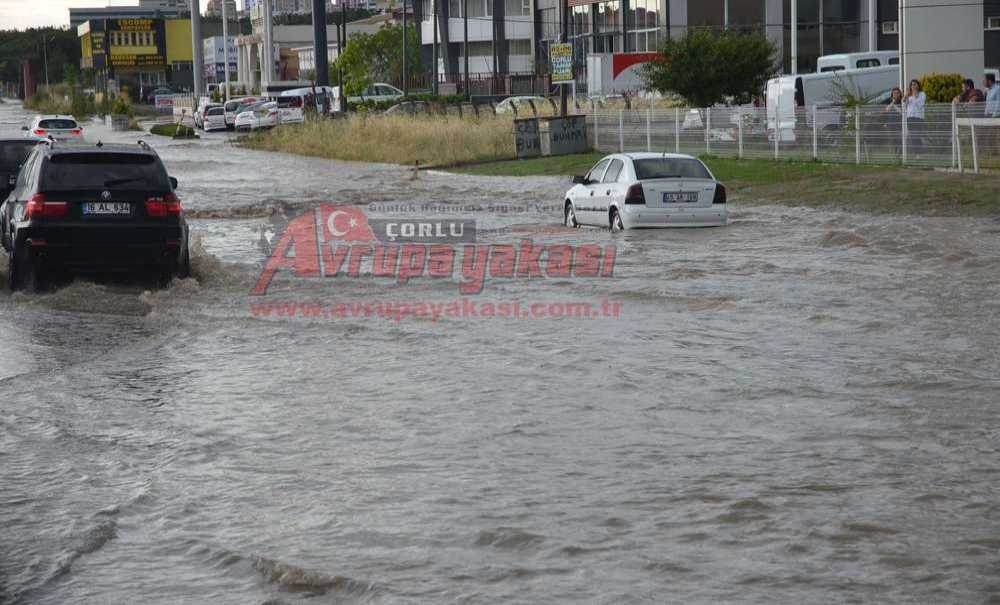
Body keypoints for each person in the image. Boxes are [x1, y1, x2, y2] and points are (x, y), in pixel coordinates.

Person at [904, 79, 926, 154]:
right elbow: (905, 103)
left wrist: (915, 94)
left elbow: (920, 104)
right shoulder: (909, 95)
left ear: (918, 85)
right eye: (912, 85)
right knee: (913, 136)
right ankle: (917, 153)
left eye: (914, 84)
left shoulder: (922, 94)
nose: (913, 86)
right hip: (910, 117)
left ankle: (919, 152)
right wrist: (906, 94)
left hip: (918, 117)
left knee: (917, 135)